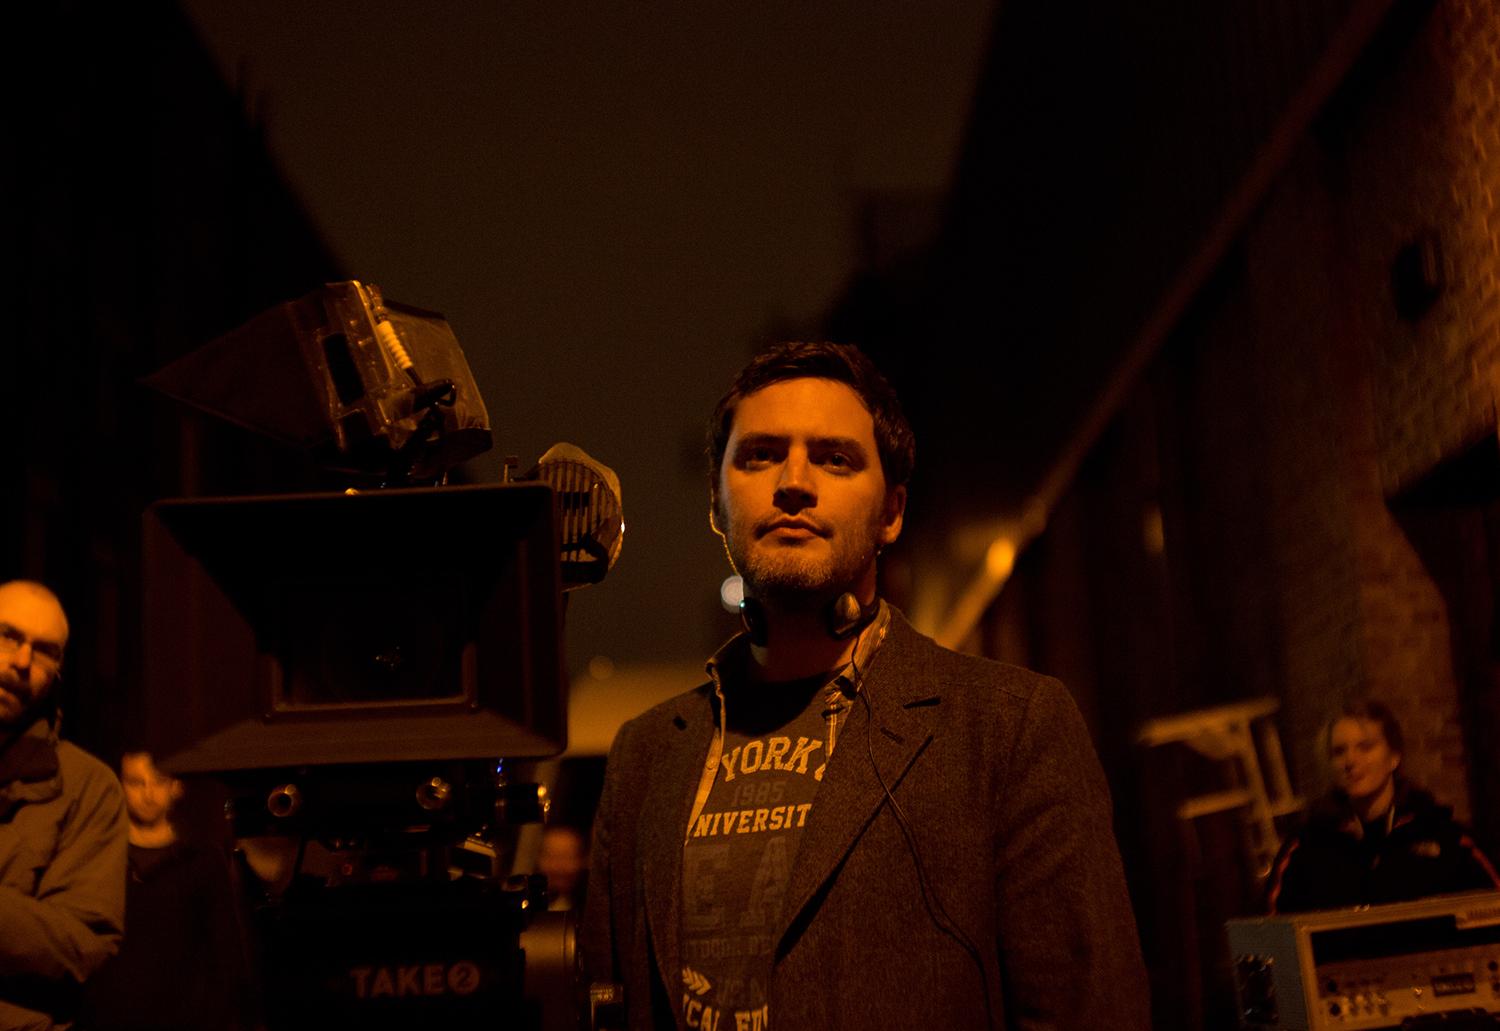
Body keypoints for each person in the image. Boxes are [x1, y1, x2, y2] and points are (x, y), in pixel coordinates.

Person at [582, 342, 1149, 1030]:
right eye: (760, 455)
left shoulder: (1009, 729)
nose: (794, 482)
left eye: (834, 458)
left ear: (892, 511)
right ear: (716, 502)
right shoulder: (644, 758)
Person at [0, 579, 128, 1029]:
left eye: (44, 651)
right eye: (8, 635)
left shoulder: (87, 787)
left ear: (57, 671)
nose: (22, 662)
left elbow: (85, 945)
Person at [1267, 699, 1500, 914]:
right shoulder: (1307, 846)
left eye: (1365, 747)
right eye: (1339, 751)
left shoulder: (1443, 836)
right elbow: (1271, 929)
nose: (1350, 761)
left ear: (1394, 757)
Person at [80, 752, 254, 1031]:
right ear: (120, 787)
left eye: (158, 781)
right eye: (136, 782)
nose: (148, 794)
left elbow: (225, 950)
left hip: (185, 1019)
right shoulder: (97, 858)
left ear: (176, 786)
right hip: (108, 1016)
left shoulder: (201, 859)